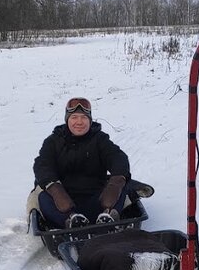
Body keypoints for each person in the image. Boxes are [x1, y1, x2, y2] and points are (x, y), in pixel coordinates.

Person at [32, 96, 132, 229]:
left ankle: (107, 218)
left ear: (90, 120)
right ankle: (71, 222)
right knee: (42, 196)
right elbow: (42, 164)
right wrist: (54, 188)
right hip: (64, 202)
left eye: (84, 118)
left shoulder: (100, 139)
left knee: (123, 185)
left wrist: (116, 181)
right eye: (74, 117)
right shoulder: (53, 141)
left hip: (97, 200)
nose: (79, 122)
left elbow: (117, 157)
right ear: (67, 120)